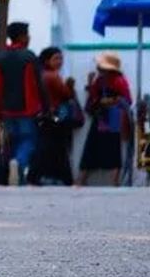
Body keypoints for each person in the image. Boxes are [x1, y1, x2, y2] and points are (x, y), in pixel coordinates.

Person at [0, 21, 48, 185]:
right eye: (27, 34)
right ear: (22, 37)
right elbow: (39, 85)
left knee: (12, 141)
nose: (29, 38)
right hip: (27, 110)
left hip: (6, 110)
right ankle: (18, 163)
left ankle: (15, 171)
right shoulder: (29, 56)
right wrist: (46, 107)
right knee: (28, 140)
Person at [78, 52, 131, 187]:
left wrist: (112, 101)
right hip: (100, 116)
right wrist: (91, 85)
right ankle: (81, 180)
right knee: (91, 146)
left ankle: (115, 181)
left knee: (113, 148)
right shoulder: (99, 81)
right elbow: (94, 97)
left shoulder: (119, 81)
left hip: (114, 118)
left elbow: (127, 100)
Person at [34, 47, 79, 186]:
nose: (60, 61)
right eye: (56, 58)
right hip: (57, 116)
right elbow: (66, 94)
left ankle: (43, 176)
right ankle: (65, 179)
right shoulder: (52, 76)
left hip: (45, 116)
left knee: (48, 147)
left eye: (61, 58)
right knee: (59, 148)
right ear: (47, 60)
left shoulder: (41, 74)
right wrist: (70, 85)